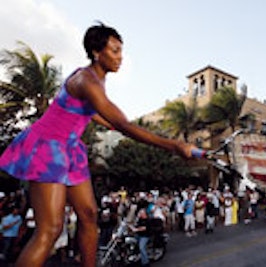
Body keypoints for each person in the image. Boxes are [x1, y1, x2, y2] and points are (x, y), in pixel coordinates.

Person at [0, 23, 197, 267]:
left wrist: (108, 124)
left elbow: (87, 111)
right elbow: (124, 123)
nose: (120, 57)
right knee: (50, 229)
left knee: (89, 215)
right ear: (96, 52)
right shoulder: (88, 81)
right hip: (48, 147)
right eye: (114, 51)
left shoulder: (94, 81)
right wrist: (174, 146)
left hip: (71, 150)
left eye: (121, 51)